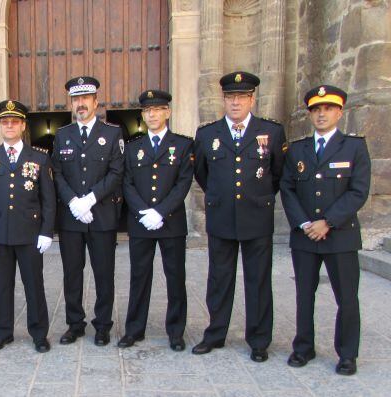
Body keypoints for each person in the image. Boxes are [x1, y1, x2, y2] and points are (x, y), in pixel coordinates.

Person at [191, 72, 286, 362]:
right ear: (223, 99)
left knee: (258, 280)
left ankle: (259, 340)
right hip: (221, 218)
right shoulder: (207, 134)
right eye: (230, 97)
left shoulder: (271, 132)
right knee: (219, 279)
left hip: (256, 218)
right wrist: (222, 197)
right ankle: (216, 332)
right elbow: (203, 173)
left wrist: (257, 198)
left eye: (242, 97)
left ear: (252, 99)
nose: (235, 102)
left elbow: (278, 174)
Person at [280, 85, 370, 376]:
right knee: (304, 294)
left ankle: (347, 354)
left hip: (340, 235)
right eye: (316, 110)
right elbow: (288, 188)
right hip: (305, 235)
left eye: (328, 109)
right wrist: (305, 223)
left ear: (339, 112)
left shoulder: (354, 147)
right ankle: (303, 347)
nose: (321, 114)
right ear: (310, 114)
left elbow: (358, 191)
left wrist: (327, 221)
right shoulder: (297, 149)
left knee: (346, 297)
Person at [0, 100, 56, 353]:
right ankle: (3, 332)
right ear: (1, 125)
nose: (9, 126)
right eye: (5, 122)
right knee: (2, 286)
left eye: (14, 122)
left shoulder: (40, 157)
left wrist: (46, 232)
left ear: (22, 125)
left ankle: (39, 333)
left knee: (34, 285)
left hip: (30, 234)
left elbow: (49, 199)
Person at [51, 76, 124, 346]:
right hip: (71, 219)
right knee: (72, 273)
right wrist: (73, 203)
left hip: (102, 216)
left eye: (85, 99)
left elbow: (116, 172)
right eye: (76, 99)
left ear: (95, 101)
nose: (80, 104)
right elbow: (56, 173)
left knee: (104, 273)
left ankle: (103, 325)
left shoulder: (112, 134)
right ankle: (75, 324)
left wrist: (90, 199)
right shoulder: (62, 135)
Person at [118, 90, 193, 350]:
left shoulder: (183, 145)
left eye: (158, 109)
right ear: (142, 114)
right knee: (139, 277)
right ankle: (134, 329)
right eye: (147, 110)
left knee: (175, 278)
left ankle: (175, 332)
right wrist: (143, 213)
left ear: (167, 113)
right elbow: (126, 183)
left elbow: (183, 183)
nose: (152, 114)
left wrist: (160, 212)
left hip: (171, 222)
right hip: (141, 223)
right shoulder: (133, 148)